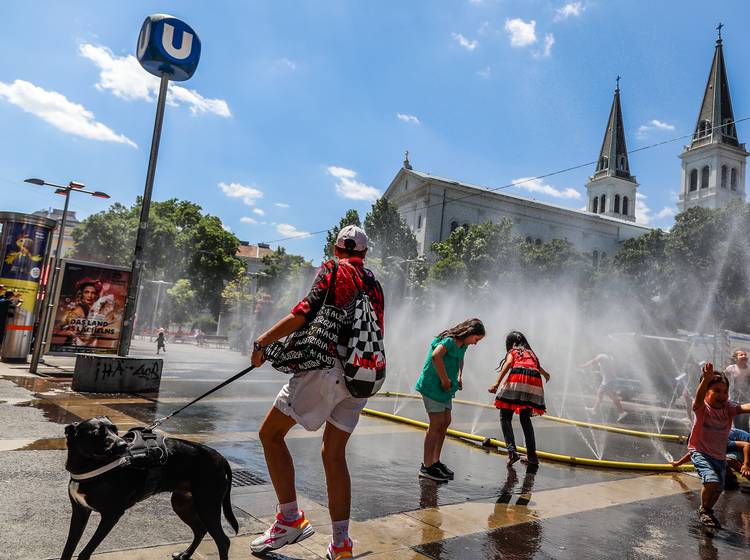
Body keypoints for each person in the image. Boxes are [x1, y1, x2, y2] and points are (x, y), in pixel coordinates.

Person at [249, 225, 384, 560]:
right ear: (364, 253)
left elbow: (304, 311)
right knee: (333, 454)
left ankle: (290, 519)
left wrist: (262, 342)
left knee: (270, 434)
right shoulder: (374, 284)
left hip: (325, 371)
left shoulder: (333, 269)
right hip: (359, 376)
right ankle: (341, 544)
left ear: (337, 249)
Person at [415, 318, 485, 482]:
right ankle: (426, 466)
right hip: (433, 385)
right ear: (469, 333)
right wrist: (445, 379)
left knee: (445, 421)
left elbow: (460, 359)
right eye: (476, 339)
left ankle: (435, 461)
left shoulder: (463, 344)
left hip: (446, 387)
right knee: (436, 423)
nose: (476, 343)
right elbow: (436, 356)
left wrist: (459, 376)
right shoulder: (449, 340)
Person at [687, 363, 750, 528]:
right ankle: (704, 510)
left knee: (718, 488)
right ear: (706, 392)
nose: (722, 395)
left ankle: (707, 509)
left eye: (725, 392)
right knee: (712, 481)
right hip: (701, 452)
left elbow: (743, 408)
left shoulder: (727, 408)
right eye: (716, 391)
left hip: (719, 456)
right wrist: (706, 379)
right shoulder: (702, 408)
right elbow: (698, 398)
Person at [489, 331, 550, 466]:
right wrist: (545, 374)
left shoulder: (514, 351)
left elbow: (509, 363)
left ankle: (512, 452)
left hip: (518, 377)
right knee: (525, 418)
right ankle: (532, 456)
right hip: (534, 381)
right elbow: (536, 367)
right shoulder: (531, 353)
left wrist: (496, 384)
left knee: (505, 417)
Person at [580, 352, 628, 422]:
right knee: (604, 394)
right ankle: (595, 409)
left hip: (608, 380)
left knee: (607, 394)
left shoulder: (602, 356)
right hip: (610, 379)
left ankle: (621, 412)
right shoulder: (609, 357)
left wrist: (583, 366)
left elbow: (593, 361)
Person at [725, 349, 750, 432]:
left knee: (745, 422)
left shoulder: (749, 369)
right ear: (735, 358)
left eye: (745, 355)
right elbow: (723, 379)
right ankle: (738, 440)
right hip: (734, 400)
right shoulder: (731, 368)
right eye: (741, 355)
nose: (744, 356)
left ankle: (746, 439)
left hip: (746, 400)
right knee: (737, 422)